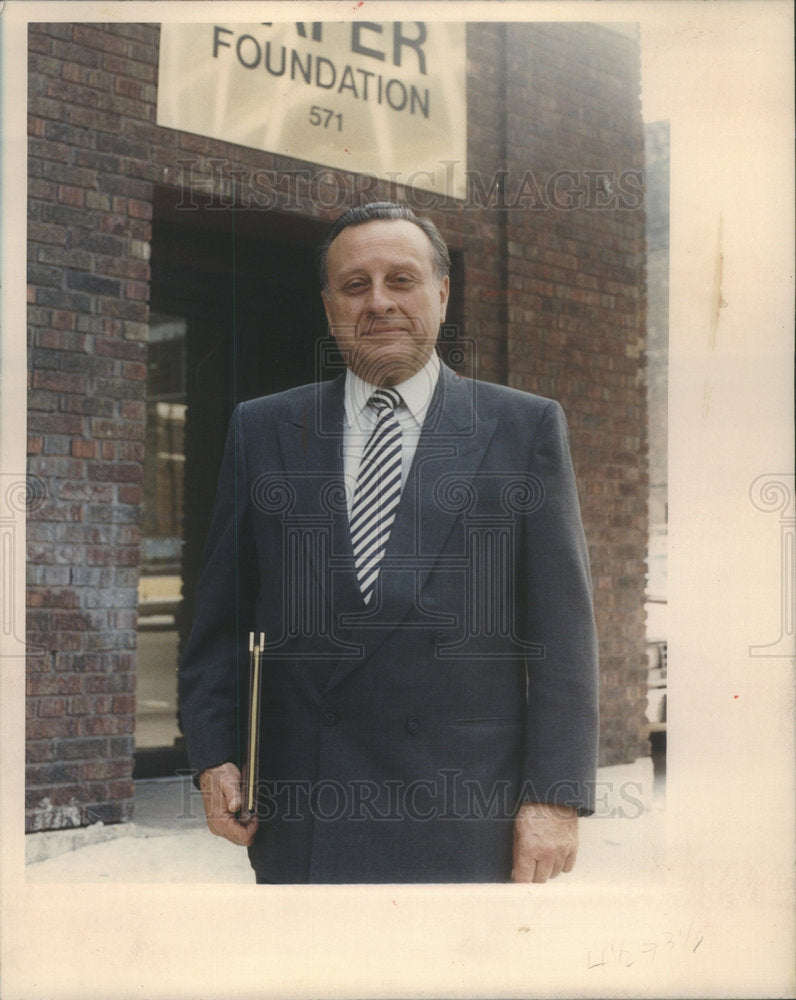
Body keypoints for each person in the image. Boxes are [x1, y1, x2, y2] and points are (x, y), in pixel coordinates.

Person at [178, 202, 599, 884]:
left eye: (400, 280)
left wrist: (555, 796)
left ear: (441, 292)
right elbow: (220, 622)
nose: (379, 303)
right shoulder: (264, 430)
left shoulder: (522, 429)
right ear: (328, 306)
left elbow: (563, 634)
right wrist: (213, 755)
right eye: (355, 285)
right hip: (307, 815)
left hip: (465, 818)